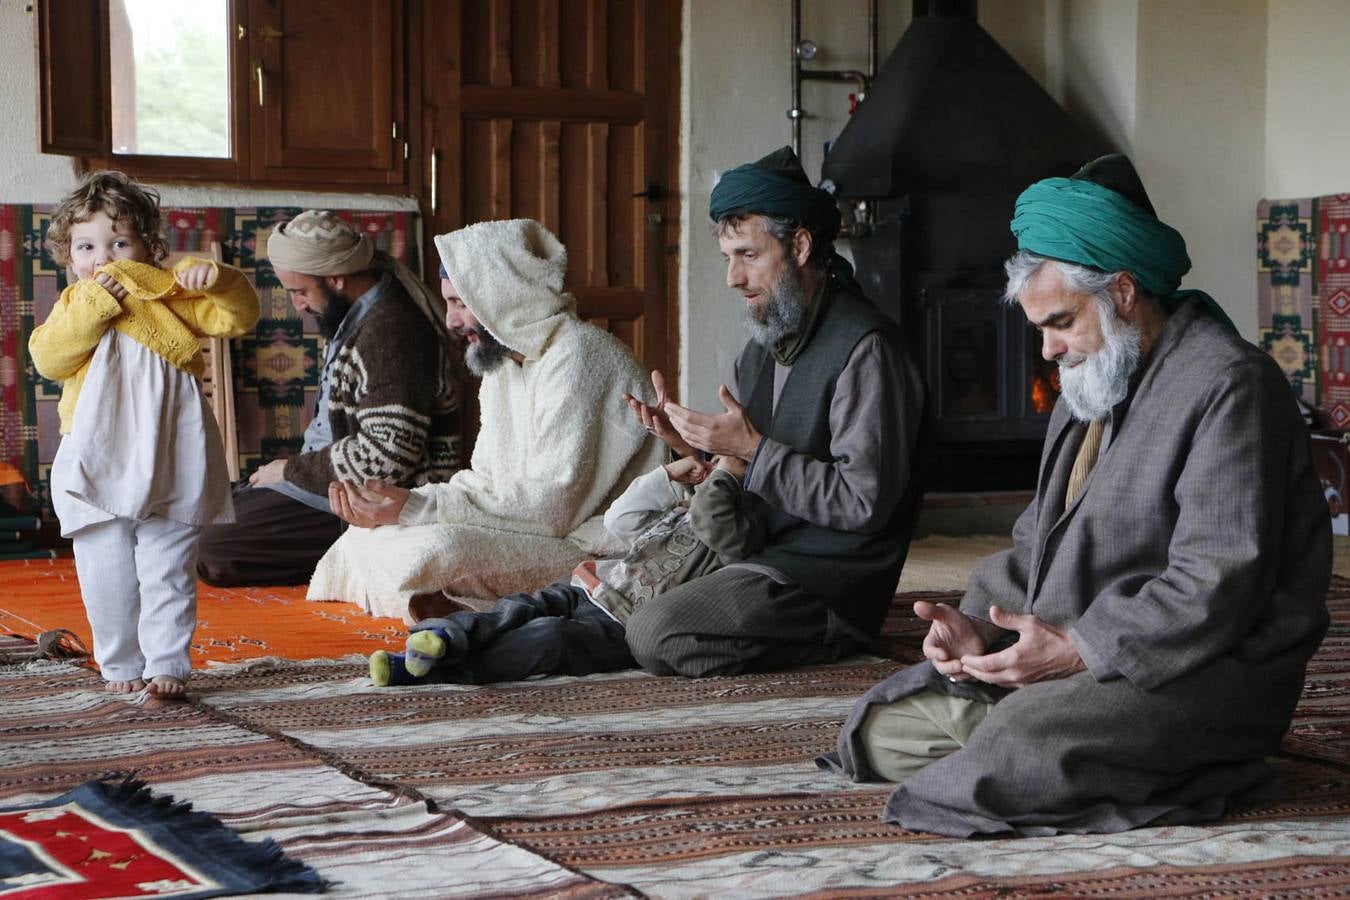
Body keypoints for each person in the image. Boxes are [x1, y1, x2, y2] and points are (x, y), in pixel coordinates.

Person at [820, 154, 1332, 837]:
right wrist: (978, 626)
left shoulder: (1228, 383)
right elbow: (1037, 539)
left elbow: (1216, 581)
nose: (1048, 350)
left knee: (1010, 748)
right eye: (1039, 328)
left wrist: (1079, 649)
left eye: (1059, 322)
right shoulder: (1094, 381)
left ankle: (1198, 762)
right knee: (881, 730)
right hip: (1079, 656)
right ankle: (1064, 745)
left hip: (1199, 667)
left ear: (1122, 291)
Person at [621, 146, 930, 678]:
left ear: (800, 246)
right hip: (761, 549)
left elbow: (865, 503)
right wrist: (689, 444)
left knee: (654, 631)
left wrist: (750, 448)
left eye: (748, 255)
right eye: (728, 258)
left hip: (826, 581)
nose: (733, 278)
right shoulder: (762, 347)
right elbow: (748, 470)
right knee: (610, 596)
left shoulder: (866, 350)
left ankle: (835, 640)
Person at [310, 218, 665, 619]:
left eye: (460, 303)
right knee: (368, 536)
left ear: (504, 295)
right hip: (534, 526)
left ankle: (455, 607)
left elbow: (552, 508)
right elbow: (487, 480)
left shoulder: (578, 355)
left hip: (594, 544)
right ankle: (442, 602)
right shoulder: (503, 363)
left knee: (437, 551)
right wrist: (412, 504)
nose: (451, 321)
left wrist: (417, 509)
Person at [30, 170, 261, 695]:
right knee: (106, 566)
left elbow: (236, 318)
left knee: (169, 561)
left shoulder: (171, 295)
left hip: (171, 452)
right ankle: (120, 664)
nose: (103, 258)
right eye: (86, 246)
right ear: (69, 254)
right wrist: (98, 303)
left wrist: (219, 280)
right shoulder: (76, 304)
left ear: (147, 246)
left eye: (119, 242)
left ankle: (167, 664)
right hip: (99, 456)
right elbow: (49, 358)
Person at [196, 210, 460, 587]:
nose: (298, 305)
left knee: (211, 547)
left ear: (336, 279)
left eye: (300, 292)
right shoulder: (358, 312)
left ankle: (353, 562)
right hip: (329, 482)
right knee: (196, 518)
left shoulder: (392, 333)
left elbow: (386, 461)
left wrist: (289, 471)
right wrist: (289, 473)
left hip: (364, 501)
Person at [368, 452, 764, 686]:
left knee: (550, 637)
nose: (711, 473)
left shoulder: (739, 535)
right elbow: (621, 519)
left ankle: (433, 672)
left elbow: (717, 522)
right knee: (520, 608)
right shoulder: (679, 512)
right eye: (713, 465)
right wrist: (667, 477)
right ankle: (440, 636)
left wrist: (725, 478)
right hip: (589, 590)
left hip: (624, 626)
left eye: (724, 473)